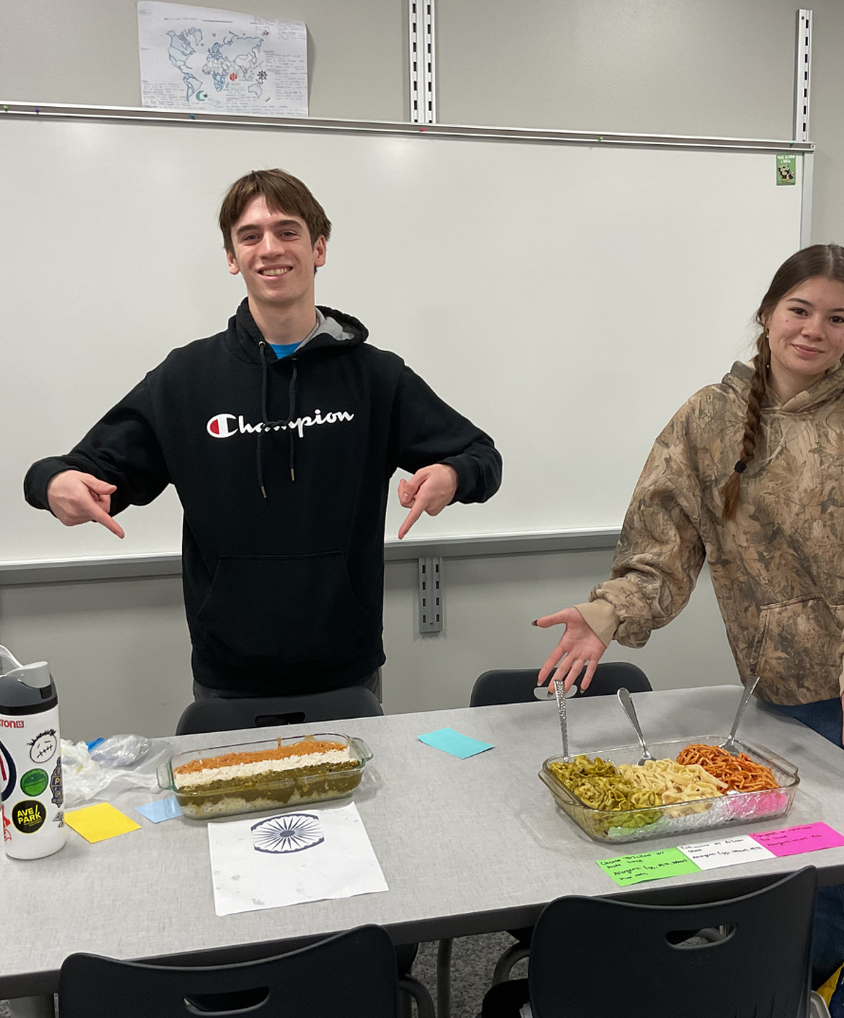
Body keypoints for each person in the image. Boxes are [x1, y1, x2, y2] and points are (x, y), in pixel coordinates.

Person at [535, 244, 844, 1018]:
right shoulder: (708, 420)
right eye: (799, 309)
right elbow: (663, 547)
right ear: (766, 313)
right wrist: (606, 613)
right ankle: (833, 1007)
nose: (814, 330)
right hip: (787, 701)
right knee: (809, 884)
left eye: (837, 318)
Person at [24, 168, 501, 705]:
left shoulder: (376, 377)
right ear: (232, 257)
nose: (270, 248)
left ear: (319, 248)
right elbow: (80, 469)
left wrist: (454, 474)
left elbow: (482, 456)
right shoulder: (186, 378)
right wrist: (51, 483)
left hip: (346, 670)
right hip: (228, 675)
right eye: (250, 236)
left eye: (288, 231)